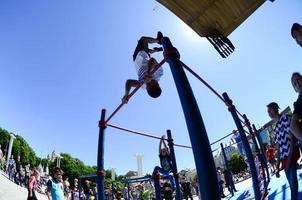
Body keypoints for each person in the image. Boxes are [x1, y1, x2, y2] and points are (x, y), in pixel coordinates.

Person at [267, 102, 300, 200]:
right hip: (284, 158)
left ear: (276, 109)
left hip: (291, 154)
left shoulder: (285, 118)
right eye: (267, 112)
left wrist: (290, 158)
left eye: (270, 110)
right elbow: (278, 147)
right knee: (291, 183)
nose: (268, 113)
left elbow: (293, 138)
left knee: (293, 182)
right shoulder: (276, 127)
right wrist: (277, 166)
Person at [122, 32, 164, 103]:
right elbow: (152, 60)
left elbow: (129, 82)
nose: (148, 83)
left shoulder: (142, 85)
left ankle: (156, 50)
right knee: (143, 39)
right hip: (143, 54)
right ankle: (158, 40)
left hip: (136, 58)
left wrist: (126, 94)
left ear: (147, 89)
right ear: (157, 84)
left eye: (148, 85)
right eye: (151, 83)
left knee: (149, 52)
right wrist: (149, 73)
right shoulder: (159, 73)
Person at [291, 72, 302, 141]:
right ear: (295, 90)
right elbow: (293, 126)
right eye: (294, 84)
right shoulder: (299, 102)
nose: (297, 84)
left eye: (298, 79)